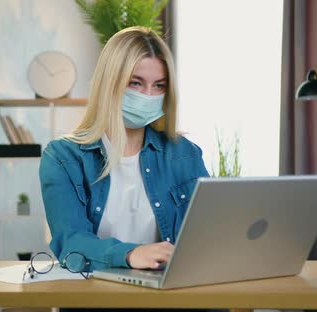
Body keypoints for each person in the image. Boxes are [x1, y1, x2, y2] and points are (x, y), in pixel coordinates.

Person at [39, 26, 209, 274]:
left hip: (169, 291)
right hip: (96, 292)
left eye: (159, 86)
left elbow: (206, 235)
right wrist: (129, 253)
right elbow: (71, 242)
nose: (148, 96)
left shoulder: (185, 154)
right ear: (109, 83)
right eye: (135, 83)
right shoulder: (63, 157)